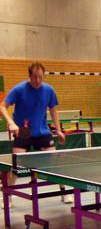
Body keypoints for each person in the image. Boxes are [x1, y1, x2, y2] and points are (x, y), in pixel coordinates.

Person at [0, 61, 70, 205]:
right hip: (23, 132)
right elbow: (2, 106)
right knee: (16, 165)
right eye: (34, 77)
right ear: (29, 75)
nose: (37, 80)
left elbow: (53, 110)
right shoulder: (19, 89)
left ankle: (64, 192)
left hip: (42, 132)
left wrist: (58, 130)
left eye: (40, 77)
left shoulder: (49, 90)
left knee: (55, 163)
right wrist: (11, 122)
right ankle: (7, 197)